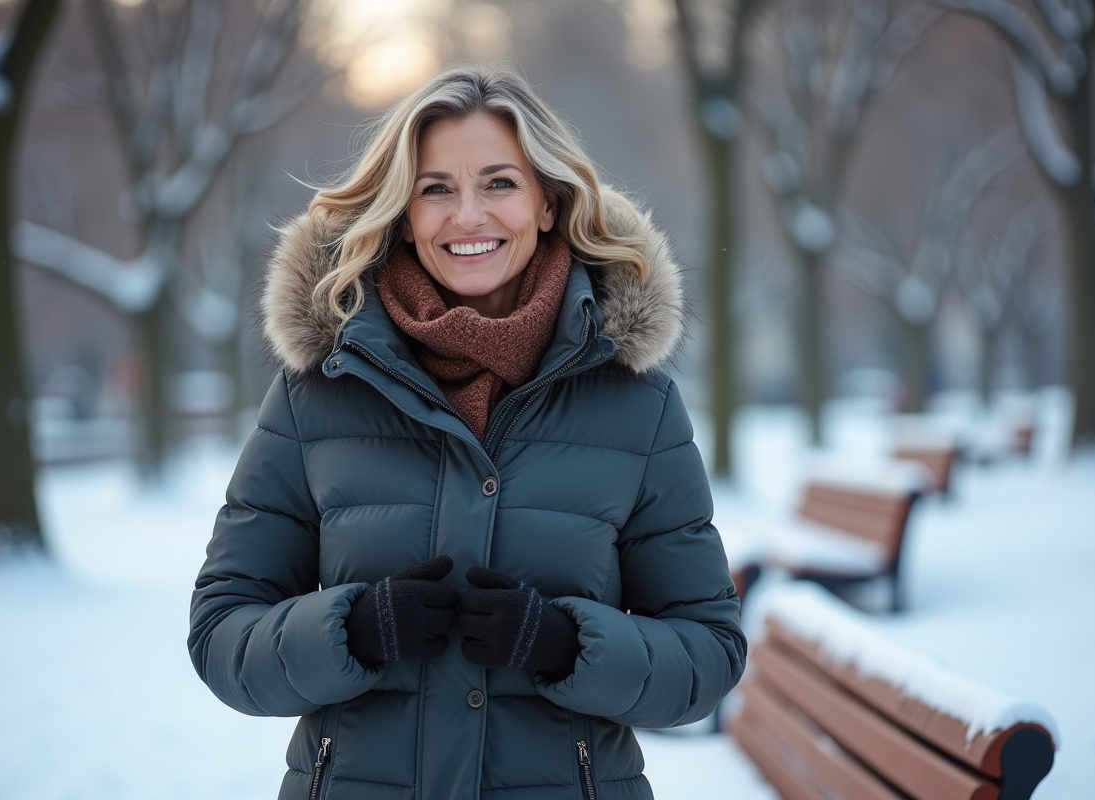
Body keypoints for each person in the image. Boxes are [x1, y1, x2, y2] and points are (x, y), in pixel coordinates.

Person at [188, 63, 747, 800]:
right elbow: (223, 631)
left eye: (499, 184)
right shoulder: (316, 394)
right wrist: (349, 631)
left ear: (548, 203)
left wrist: (569, 645)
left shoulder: (638, 405)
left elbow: (707, 653)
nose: (468, 216)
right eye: (436, 189)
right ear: (404, 212)